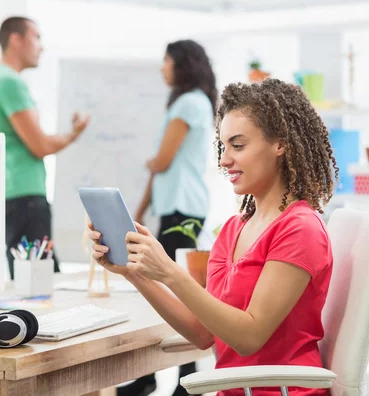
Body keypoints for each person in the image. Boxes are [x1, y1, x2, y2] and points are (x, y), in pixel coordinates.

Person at [89, 78, 339, 396]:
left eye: (238, 145)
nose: (224, 160)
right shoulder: (234, 229)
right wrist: (135, 273)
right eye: (224, 147)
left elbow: (250, 337)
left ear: (280, 144)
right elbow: (205, 334)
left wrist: (170, 271)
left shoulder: (300, 229)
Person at [127, 39, 217, 396]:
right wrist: (140, 208)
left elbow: (161, 162)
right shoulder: (190, 101)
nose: (162, 67)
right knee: (167, 289)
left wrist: (149, 161)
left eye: (165, 61)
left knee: (175, 291)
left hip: (183, 206)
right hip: (177, 205)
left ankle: (182, 378)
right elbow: (164, 167)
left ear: (182, 64)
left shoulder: (189, 102)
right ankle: (165, 376)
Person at [0, 16, 91, 280]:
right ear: (16, 40)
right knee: (41, 283)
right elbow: (40, 145)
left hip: (11, 194)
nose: (41, 46)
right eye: (36, 37)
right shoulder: (9, 83)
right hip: (25, 198)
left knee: (31, 281)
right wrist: (75, 133)